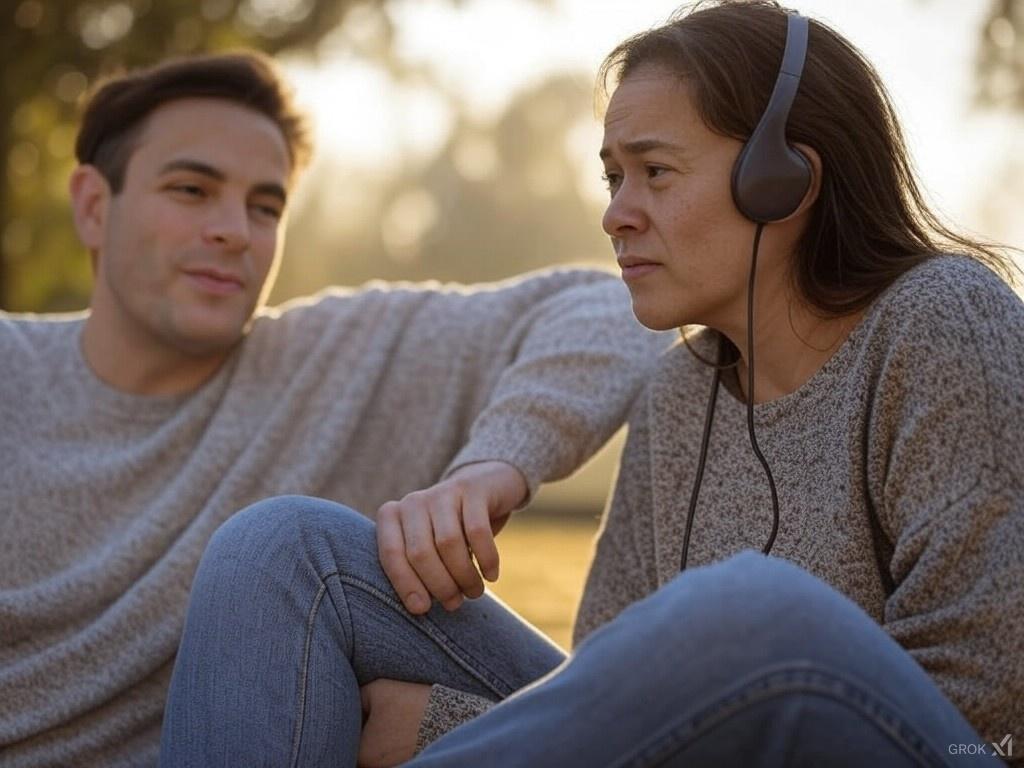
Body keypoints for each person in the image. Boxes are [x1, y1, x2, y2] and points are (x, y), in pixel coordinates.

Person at [160, 3, 1024, 766]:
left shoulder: (944, 319)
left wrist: (437, 734)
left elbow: (982, 710)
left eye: (654, 171)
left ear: (784, 183)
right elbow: (612, 699)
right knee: (283, 550)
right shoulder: (678, 395)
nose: (616, 211)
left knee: (748, 610)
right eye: (612, 175)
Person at [0, 52, 670, 766]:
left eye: (265, 206)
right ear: (94, 207)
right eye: (192, 190)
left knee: (281, 540)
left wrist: (492, 464)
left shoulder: (335, 357)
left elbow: (606, 310)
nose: (235, 230)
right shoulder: (13, 369)